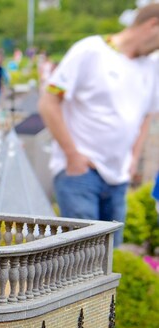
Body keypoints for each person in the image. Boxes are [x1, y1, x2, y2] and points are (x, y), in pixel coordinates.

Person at [39, 4, 159, 246]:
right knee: (82, 257)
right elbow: (48, 102)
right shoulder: (91, 51)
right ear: (153, 25)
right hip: (81, 173)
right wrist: (72, 155)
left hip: (118, 175)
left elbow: (146, 115)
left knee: (108, 256)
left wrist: (133, 158)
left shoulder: (151, 66)